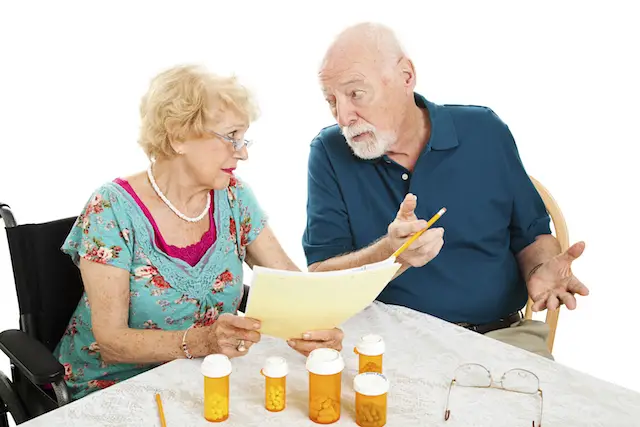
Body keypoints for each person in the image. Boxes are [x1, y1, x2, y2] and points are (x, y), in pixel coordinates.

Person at [54, 64, 343, 400]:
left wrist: (320, 324)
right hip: (113, 387)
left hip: (203, 379)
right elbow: (111, 341)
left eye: (243, 137)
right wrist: (202, 341)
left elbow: (291, 284)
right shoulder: (111, 209)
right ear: (178, 136)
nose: (244, 151)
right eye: (230, 136)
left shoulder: (235, 197)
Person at [302, 23, 589, 359]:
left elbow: (532, 237)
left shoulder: (484, 132)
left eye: (355, 94)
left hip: (499, 338)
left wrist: (540, 270)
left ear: (406, 76)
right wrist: (389, 253)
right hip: (385, 343)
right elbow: (320, 277)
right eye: (331, 101)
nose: (344, 116)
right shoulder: (329, 151)